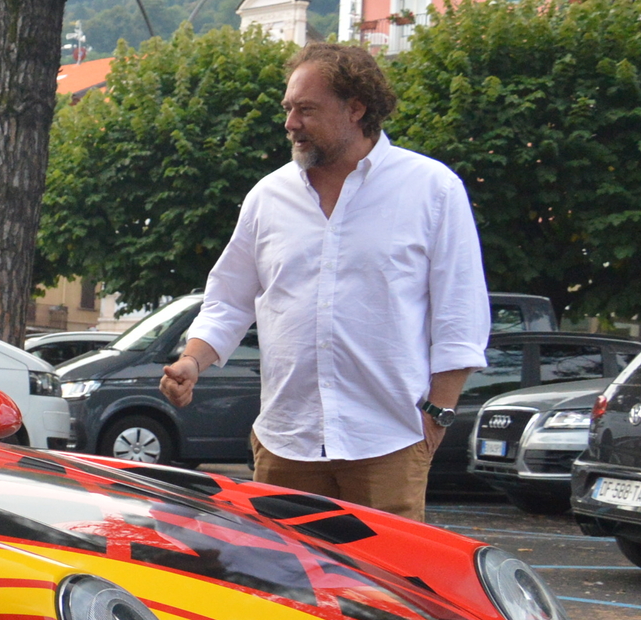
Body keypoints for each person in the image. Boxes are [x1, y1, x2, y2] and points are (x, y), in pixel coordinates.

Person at [158, 42, 487, 524]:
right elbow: (229, 300)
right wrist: (192, 360)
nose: (291, 123)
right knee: (283, 589)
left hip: (388, 443)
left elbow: (460, 315)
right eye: (288, 109)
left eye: (306, 110)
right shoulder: (267, 197)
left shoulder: (431, 189)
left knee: (381, 594)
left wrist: (437, 416)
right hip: (285, 443)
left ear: (356, 108)